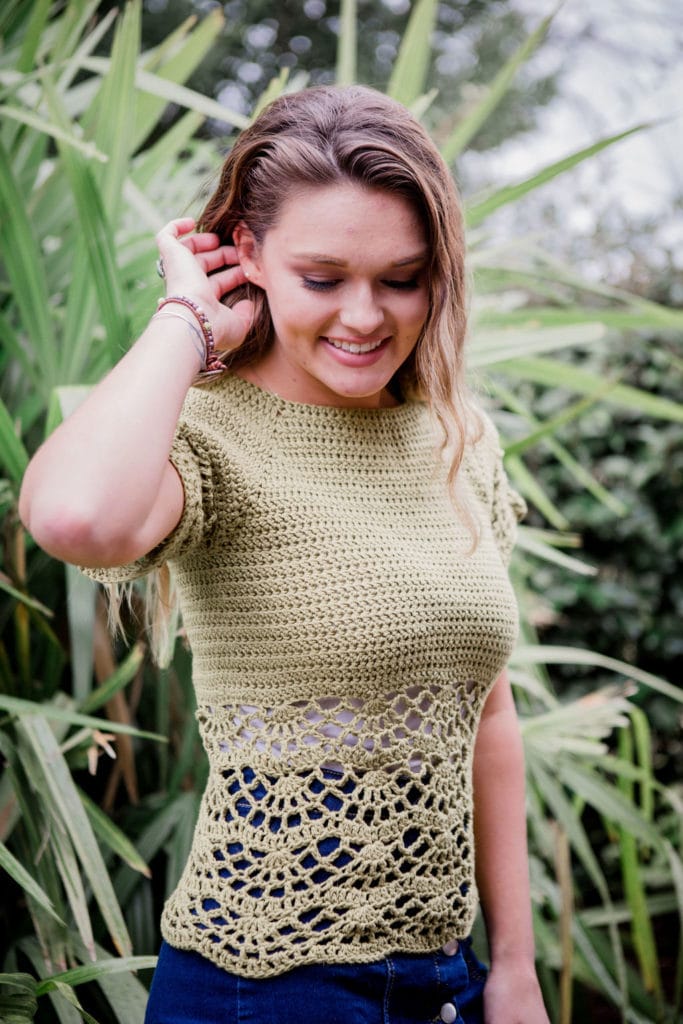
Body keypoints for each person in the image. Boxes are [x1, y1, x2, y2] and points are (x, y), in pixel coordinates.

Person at [19, 85, 550, 1024]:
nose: (364, 316)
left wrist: (513, 966)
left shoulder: (456, 437)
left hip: (448, 980)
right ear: (250, 256)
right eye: (322, 277)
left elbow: (490, 715)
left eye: (401, 278)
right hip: (261, 985)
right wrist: (187, 321)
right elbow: (73, 517)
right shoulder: (210, 436)